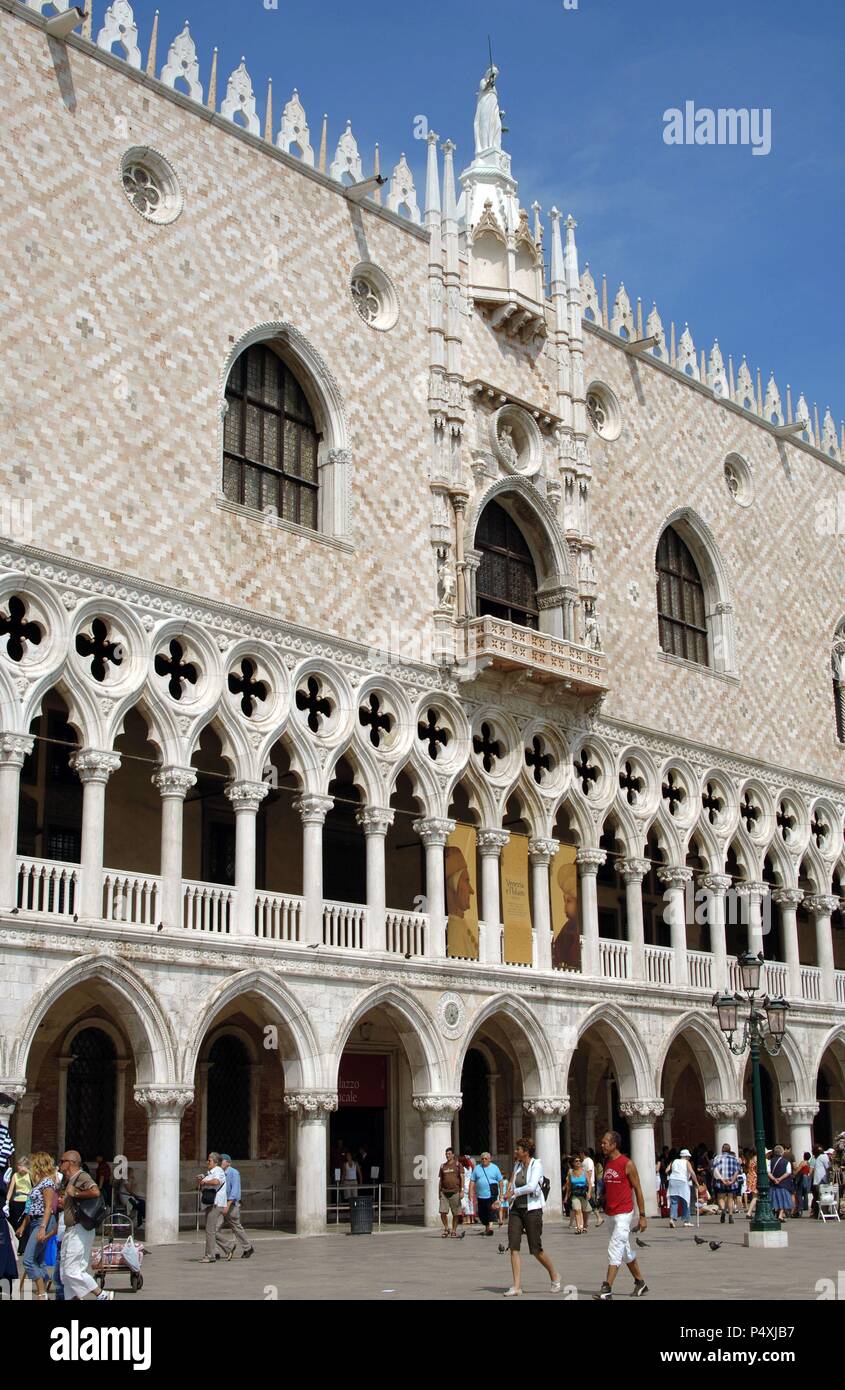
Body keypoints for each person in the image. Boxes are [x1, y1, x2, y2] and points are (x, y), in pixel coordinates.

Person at [593, 1131, 649, 1300]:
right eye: (602, 1142)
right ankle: (640, 1282)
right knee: (624, 1249)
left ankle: (607, 1288)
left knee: (615, 1247)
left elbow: (638, 1189)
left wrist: (643, 1215)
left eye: (605, 1143)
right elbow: (608, 1186)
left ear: (614, 1144)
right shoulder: (607, 1162)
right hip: (610, 1212)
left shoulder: (627, 1163)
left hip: (624, 1212)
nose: (602, 1145)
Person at [503, 1138, 561, 1297]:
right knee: (513, 1246)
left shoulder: (537, 1165)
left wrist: (514, 1192)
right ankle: (516, 1286)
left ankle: (554, 1275)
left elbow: (532, 1186)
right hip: (516, 1209)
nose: (515, 1151)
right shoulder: (517, 1165)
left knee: (536, 1249)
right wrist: (504, 1197)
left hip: (532, 1210)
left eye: (518, 1149)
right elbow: (512, 1183)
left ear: (526, 1151)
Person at [58, 1149, 113, 1301]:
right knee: (64, 1272)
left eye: (62, 1161)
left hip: (80, 1228)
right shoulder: (70, 1179)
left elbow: (95, 1192)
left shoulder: (81, 1176)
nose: (60, 1163)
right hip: (72, 1229)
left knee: (72, 1271)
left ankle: (102, 1295)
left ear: (71, 1163)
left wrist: (74, 1193)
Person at [20, 1151, 58, 1300]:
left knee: (28, 1260)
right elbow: (31, 1207)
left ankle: (42, 1293)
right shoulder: (39, 1183)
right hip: (35, 1220)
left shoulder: (47, 1183)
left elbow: (48, 1207)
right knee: (38, 1260)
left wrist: (42, 1227)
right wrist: (24, 1225)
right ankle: (45, 1280)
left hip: (43, 1221)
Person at [220, 1155, 254, 1259]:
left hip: (231, 1204)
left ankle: (248, 1247)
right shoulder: (219, 1172)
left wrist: (228, 1204)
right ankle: (217, 1250)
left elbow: (234, 1190)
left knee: (236, 1226)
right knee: (215, 1227)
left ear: (228, 1163)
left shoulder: (234, 1173)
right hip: (220, 1203)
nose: (220, 1162)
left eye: (222, 1161)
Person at [198, 1151, 228, 1263]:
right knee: (210, 1230)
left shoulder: (218, 1170)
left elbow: (216, 1182)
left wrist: (205, 1182)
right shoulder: (211, 1171)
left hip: (216, 1203)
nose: (207, 1162)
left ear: (215, 1162)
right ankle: (228, 1246)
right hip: (210, 1203)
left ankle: (210, 1255)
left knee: (210, 1230)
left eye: (209, 1160)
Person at [470, 1151, 504, 1235]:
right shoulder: (477, 1168)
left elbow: (500, 1181)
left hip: (492, 1193)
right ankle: (487, 1228)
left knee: (491, 1210)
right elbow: (472, 1181)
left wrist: (501, 1194)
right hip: (480, 1195)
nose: (484, 1160)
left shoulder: (495, 1168)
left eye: (486, 1159)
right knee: (482, 1213)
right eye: (482, 1159)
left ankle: (490, 1227)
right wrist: (470, 1192)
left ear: (490, 1159)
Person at [6, 1154, 31, 1252]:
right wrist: (7, 1201)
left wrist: (28, 1171)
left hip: (27, 1201)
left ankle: (23, 1247)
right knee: (16, 1223)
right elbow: (11, 1190)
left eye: (21, 1166)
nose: (19, 1168)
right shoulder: (15, 1175)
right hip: (17, 1201)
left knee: (25, 1224)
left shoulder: (30, 1175)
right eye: (18, 1166)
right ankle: (16, 1245)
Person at [666, 1148, 697, 1228]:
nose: (689, 1158)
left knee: (674, 1201)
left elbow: (666, 1170)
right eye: (688, 1157)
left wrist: (672, 1175)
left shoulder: (674, 1161)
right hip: (682, 1181)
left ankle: (672, 1219)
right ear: (686, 1156)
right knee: (685, 1200)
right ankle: (686, 1221)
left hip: (672, 1180)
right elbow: (692, 1172)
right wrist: (696, 1182)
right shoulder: (686, 1162)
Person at [437, 1147, 464, 1238]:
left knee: (456, 1213)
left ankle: (454, 1230)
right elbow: (441, 1180)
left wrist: (462, 1190)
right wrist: (439, 1192)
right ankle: (446, 1228)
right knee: (442, 1212)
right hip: (444, 1192)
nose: (447, 1155)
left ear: (453, 1155)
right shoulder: (443, 1166)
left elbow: (462, 1177)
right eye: (446, 1154)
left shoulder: (457, 1165)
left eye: (449, 1154)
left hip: (455, 1192)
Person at [711, 1143, 741, 1223]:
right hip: (731, 1181)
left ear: (722, 1149)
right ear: (729, 1150)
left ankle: (723, 1210)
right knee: (730, 1198)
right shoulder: (734, 1158)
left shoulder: (717, 1158)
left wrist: (722, 1179)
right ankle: (730, 1215)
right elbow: (737, 1171)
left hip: (721, 1182)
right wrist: (732, 1180)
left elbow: (715, 1170)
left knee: (720, 1198)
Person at [564, 1154, 591, 1234]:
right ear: (573, 1163)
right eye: (576, 1161)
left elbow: (589, 1183)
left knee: (585, 1211)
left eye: (579, 1161)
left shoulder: (584, 1172)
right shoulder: (570, 1172)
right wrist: (566, 1196)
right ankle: (579, 1227)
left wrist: (589, 1193)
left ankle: (585, 1225)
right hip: (574, 1194)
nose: (578, 1162)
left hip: (583, 1193)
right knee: (577, 1210)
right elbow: (569, 1185)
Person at [579, 1147, 604, 1229]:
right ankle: (585, 1223)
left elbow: (589, 1173)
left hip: (588, 1185)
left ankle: (598, 1218)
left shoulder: (588, 1161)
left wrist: (588, 1185)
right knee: (586, 1205)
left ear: (583, 1153)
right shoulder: (585, 1161)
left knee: (591, 1203)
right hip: (586, 1185)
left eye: (580, 1153)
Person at [767, 1145, 793, 1223]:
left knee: (774, 1199)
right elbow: (788, 1172)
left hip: (773, 1184)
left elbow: (768, 1172)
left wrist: (774, 1179)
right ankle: (780, 1215)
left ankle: (774, 1214)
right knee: (783, 1200)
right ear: (782, 1152)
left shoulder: (769, 1161)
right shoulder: (786, 1162)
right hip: (783, 1184)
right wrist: (780, 1179)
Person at [460, 1152, 477, 1225]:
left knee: (465, 1203)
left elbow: (462, 1178)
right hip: (471, 1186)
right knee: (471, 1203)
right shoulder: (470, 1168)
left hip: (465, 1187)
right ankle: (472, 1219)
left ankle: (467, 1219)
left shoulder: (463, 1169)